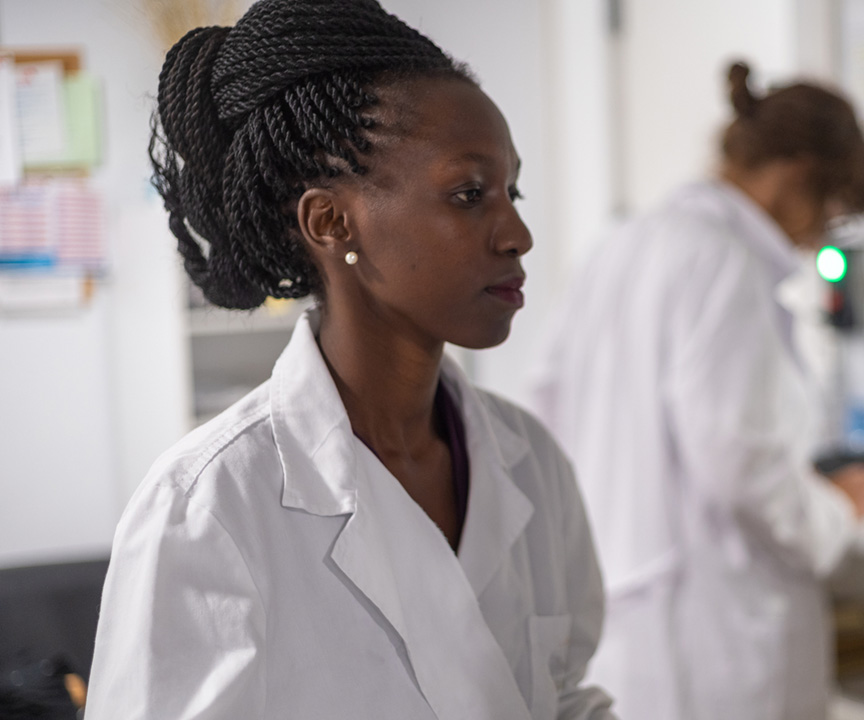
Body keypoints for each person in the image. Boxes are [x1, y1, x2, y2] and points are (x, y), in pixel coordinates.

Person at [86, 2, 613, 718]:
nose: (517, 232)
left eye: (511, 192)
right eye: (469, 194)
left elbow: (567, 696)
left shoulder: (531, 463)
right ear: (331, 223)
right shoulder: (207, 509)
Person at [530, 62, 864, 720]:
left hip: (621, 607)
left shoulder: (622, 242)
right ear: (797, 176)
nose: (819, 237)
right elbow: (739, 461)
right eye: (830, 211)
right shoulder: (722, 258)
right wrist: (836, 507)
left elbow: (548, 402)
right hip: (708, 631)